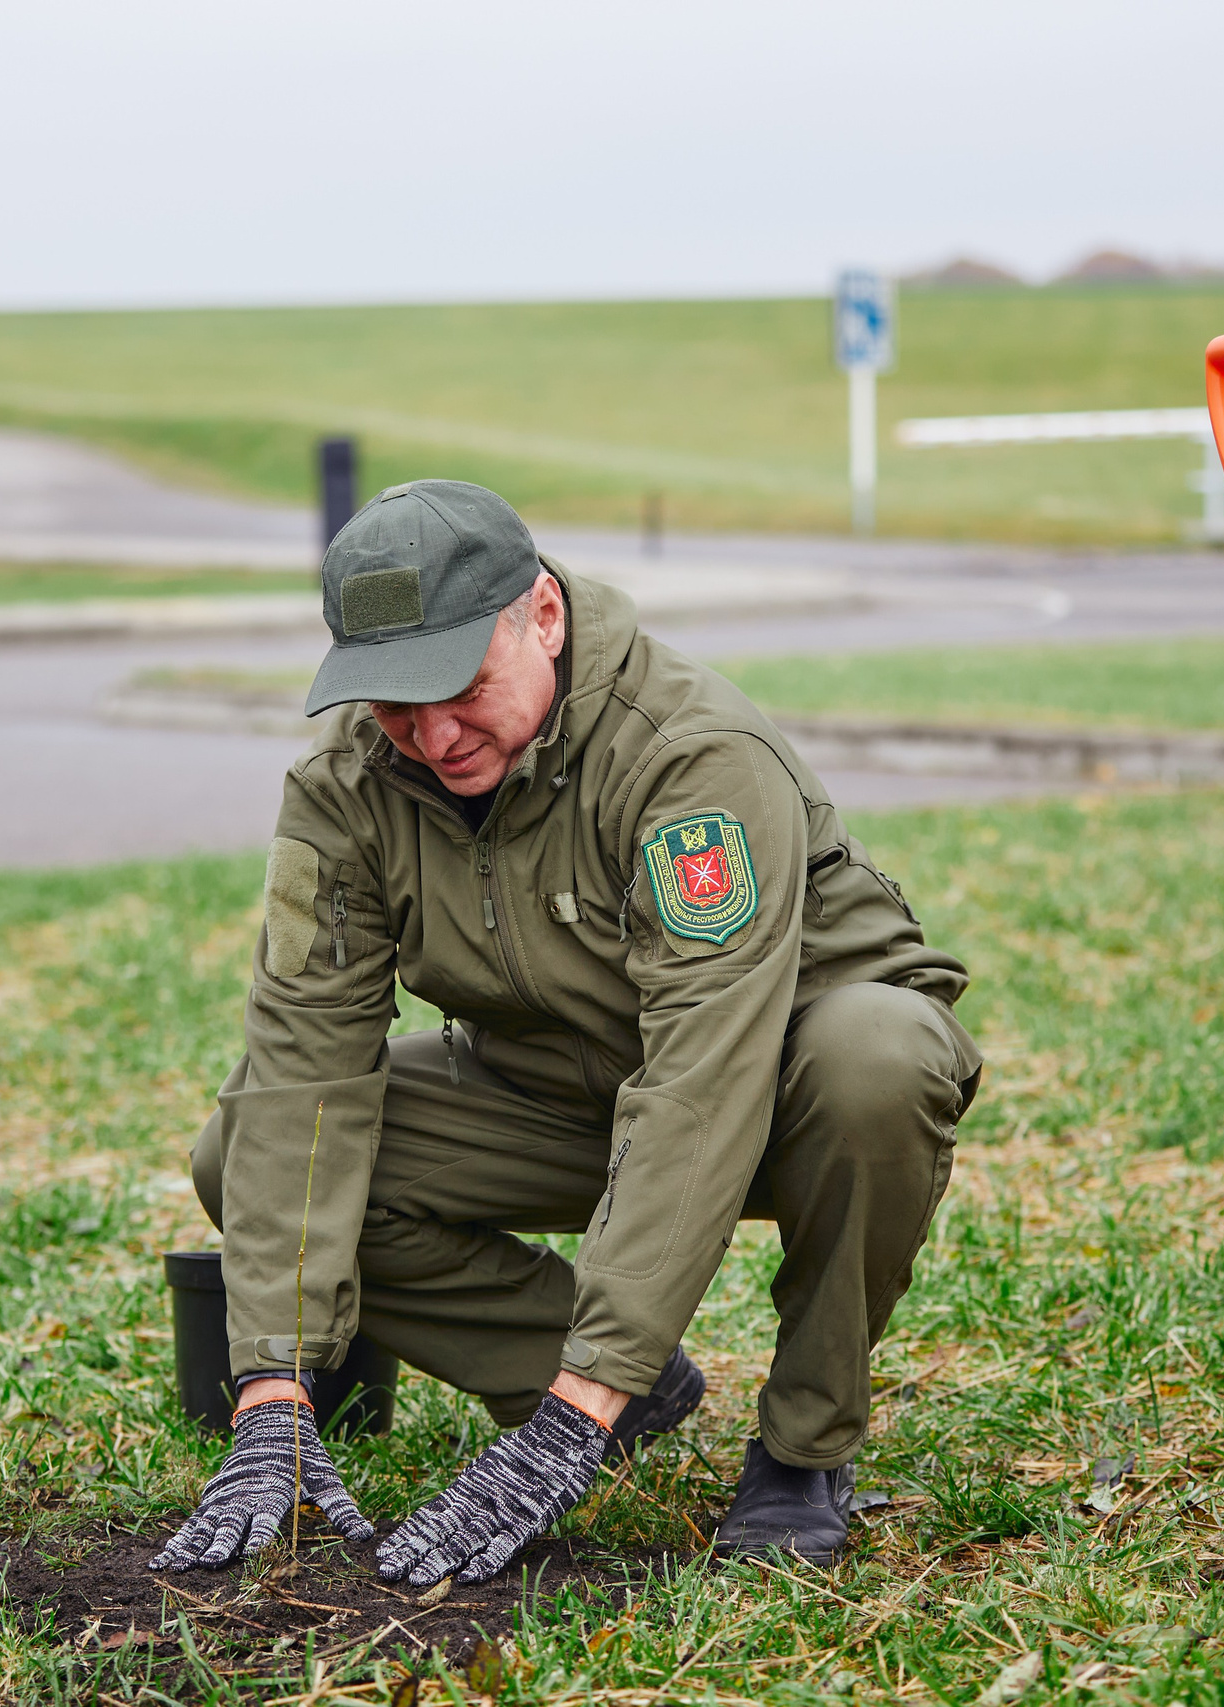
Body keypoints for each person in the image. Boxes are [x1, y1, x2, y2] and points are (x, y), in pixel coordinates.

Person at [152, 481, 980, 1581]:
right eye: (395, 702)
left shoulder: (693, 755)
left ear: (541, 615)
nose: (433, 736)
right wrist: (270, 1395)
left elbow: (700, 1074)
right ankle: (615, 1388)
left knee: (878, 1057)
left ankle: (801, 1448)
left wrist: (565, 1427)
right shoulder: (348, 785)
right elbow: (303, 1062)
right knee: (246, 1157)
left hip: (776, 1085)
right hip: (551, 1092)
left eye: (459, 688)